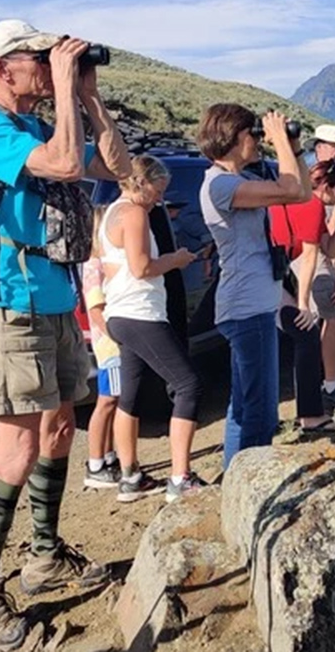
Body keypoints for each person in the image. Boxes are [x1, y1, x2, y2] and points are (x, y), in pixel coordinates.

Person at [0, 18, 131, 649]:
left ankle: (45, 555)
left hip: (56, 300)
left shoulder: (36, 124)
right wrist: (64, 83)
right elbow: (63, 163)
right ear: (3, 69)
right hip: (11, 304)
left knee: (59, 430)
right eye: (37, 56)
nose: (47, 63)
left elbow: (118, 166)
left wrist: (88, 96)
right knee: (17, 450)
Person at [197, 104, 310, 469]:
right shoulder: (221, 185)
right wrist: (279, 140)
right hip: (247, 308)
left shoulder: (236, 179)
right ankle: (252, 484)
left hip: (252, 304)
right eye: (253, 135)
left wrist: (293, 149)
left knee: (244, 406)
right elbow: (290, 189)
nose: (258, 142)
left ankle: (234, 479)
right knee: (261, 412)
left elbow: (302, 193)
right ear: (232, 137)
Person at [100, 155, 206, 503]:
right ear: (142, 182)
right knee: (188, 384)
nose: (159, 199)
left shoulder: (110, 212)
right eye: (158, 191)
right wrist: (176, 260)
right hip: (141, 313)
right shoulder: (134, 213)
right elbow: (142, 267)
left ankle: (130, 476)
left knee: (130, 393)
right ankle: (180, 477)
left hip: (119, 312)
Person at [269, 160, 335, 421]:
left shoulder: (315, 204)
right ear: (326, 187)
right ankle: (317, 401)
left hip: (275, 272)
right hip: (268, 275)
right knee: (307, 332)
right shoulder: (310, 204)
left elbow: (330, 249)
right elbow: (311, 256)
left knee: (306, 336)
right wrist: (303, 304)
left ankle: (311, 410)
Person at [80, 206, 120, 490]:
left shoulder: (101, 264)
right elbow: (96, 310)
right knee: (107, 401)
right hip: (111, 346)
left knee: (114, 401)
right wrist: (117, 336)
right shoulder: (94, 268)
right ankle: (95, 463)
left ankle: (107, 454)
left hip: (113, 343)